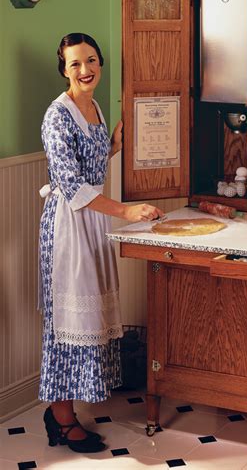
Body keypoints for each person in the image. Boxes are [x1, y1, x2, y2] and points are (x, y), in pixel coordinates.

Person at [38, 33, 163, 453]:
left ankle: (66, 413)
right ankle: (60, 418)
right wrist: (127, 211)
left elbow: (85, 166)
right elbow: (71, 185)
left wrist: (112, 149)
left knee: (86, 322)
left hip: (91, 221)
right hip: (68, 227)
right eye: (75, 64)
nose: (85, 70)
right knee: (65, 325)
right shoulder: (57, 115)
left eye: (91, 61)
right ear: (64, 70)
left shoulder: (92, 108)